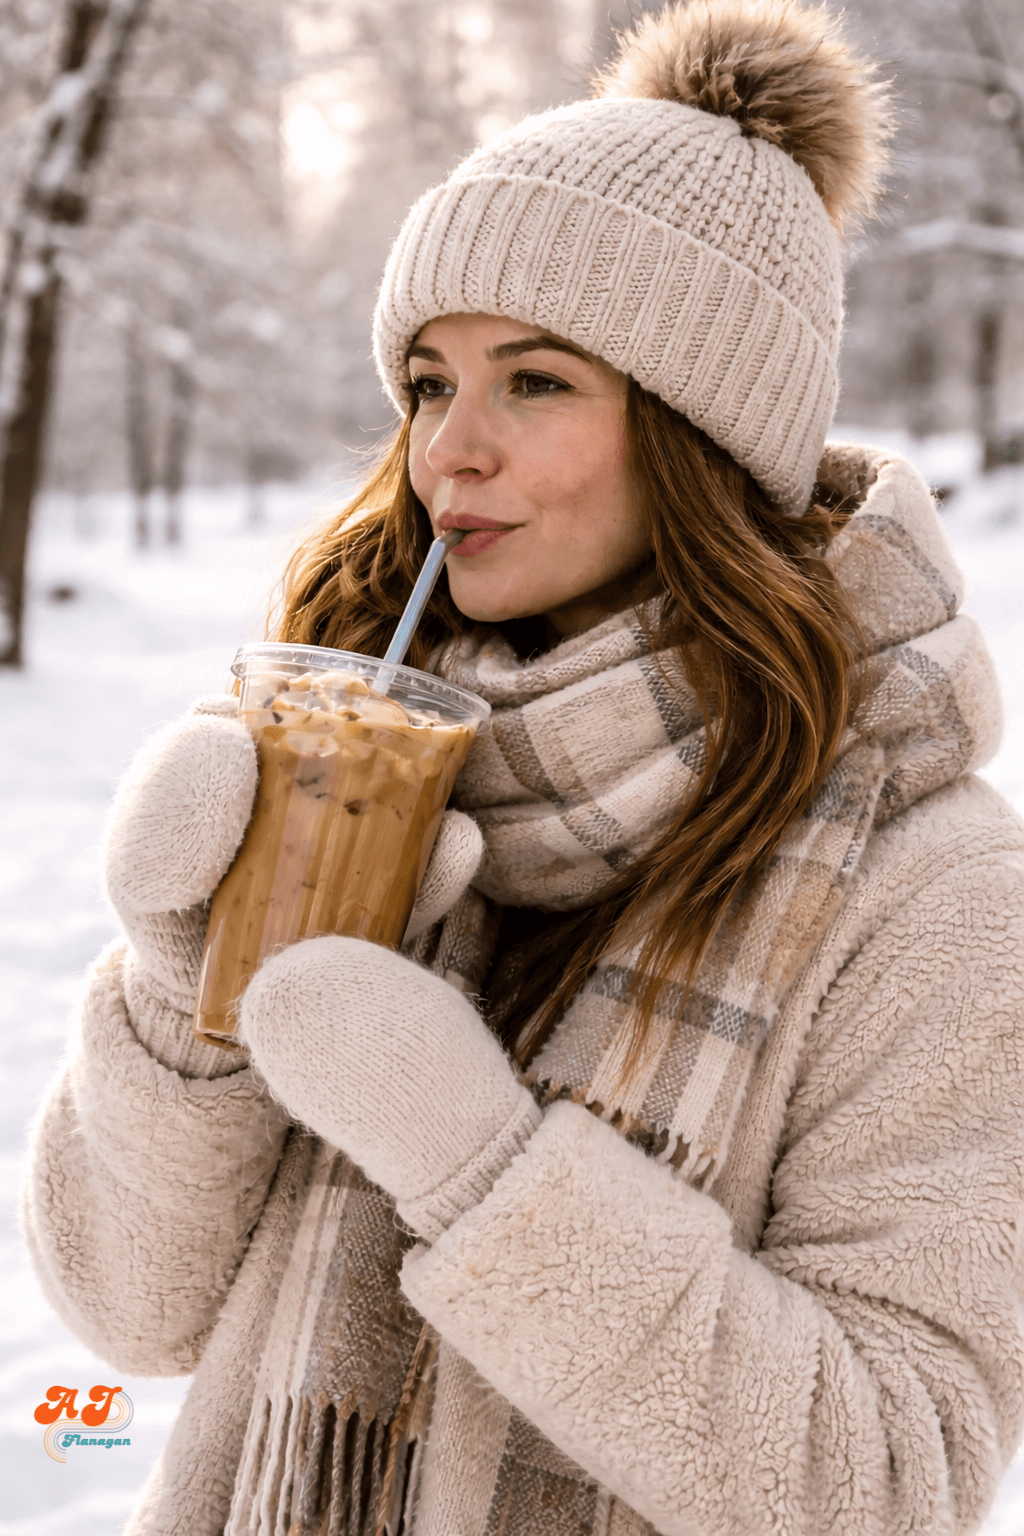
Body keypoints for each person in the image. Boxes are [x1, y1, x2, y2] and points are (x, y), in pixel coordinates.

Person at [24, 2, 1024, 1533]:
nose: (448, 454)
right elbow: (129, 1315)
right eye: (429, 382)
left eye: (535, 382)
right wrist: (184, 1003)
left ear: (702, 432)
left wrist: (487, 1170)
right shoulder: (364, 784)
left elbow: (894, 1479)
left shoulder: (933, 886)